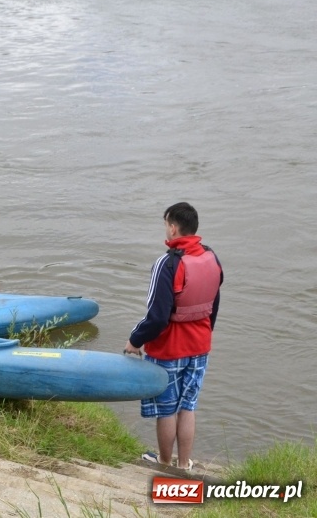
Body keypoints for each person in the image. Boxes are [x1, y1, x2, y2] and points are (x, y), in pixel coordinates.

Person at [124, 202, 223, 471]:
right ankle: (184, 463)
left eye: (166, 224)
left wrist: (135, 340)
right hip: (200, 346)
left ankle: (165, 462)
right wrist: (202, 336)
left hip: (169, 349)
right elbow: (213, 305)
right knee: (188, 406)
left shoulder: (167, 263)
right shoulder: (211, 257)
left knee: (167, 410)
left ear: (173, 226)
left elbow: (157, 317)